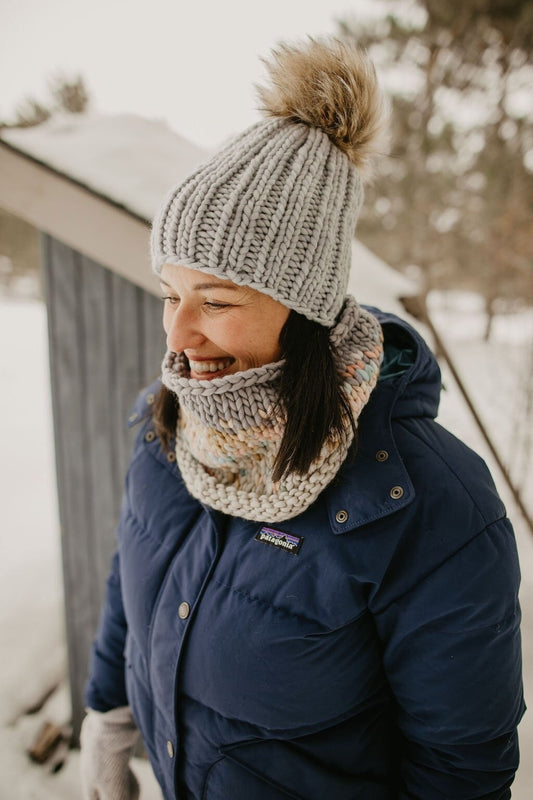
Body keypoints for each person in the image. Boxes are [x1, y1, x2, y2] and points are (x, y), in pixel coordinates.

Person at [79, 37, 525, 800]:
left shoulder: (432, 505)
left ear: (308, 311)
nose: (178, 337)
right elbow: (137, 569)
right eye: (168, 294)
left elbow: (458, 769)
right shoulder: (168, 428)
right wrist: (107, 712)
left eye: (215, 301)